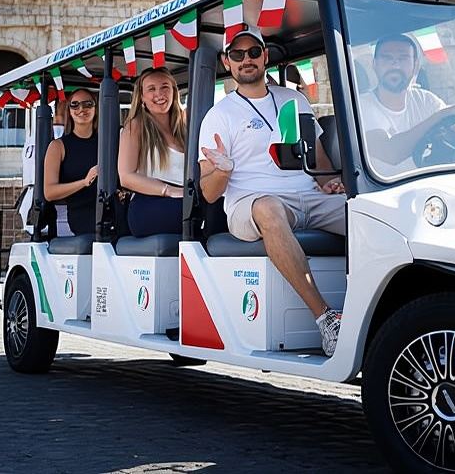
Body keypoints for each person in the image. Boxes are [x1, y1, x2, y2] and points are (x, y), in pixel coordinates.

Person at [197, 28, 347, 357]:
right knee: (269, 208)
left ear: (265, 56)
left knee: (367, 212)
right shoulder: (219, 115)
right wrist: (223, 171)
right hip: (250, 204)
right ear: (227, 62)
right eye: (237, 55)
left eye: (253, 52)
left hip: (308, 196)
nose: (246, 60)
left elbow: (318, 159)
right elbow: (208, 193)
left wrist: (331, 184)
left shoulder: (295, 100)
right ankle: (326, 319)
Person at [359, 33, 455, 176]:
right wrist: (444, 114)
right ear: (374, 65)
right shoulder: (361, 106)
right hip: (382, 188)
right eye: (387, 58)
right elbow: (390, 153)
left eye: (403, 58)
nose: (395, 64)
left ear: (415, 66)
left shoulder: (426, 100)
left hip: (430, 186)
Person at [119, 67, 188, 237]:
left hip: (185, 197)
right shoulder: (135, 126)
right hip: (150, 203)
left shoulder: (186, 125)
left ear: (174, 91)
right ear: (142, 97)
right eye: (151, 89)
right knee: (200, 212)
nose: (159, 94)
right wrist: (169, 191)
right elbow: (126, 177)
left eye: (165, 87)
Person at [41, 89, 100, 235]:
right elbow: (49, 192)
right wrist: (84, 182)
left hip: (113, 210)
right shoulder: (58, 146)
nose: (81, 109)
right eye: (75, 105)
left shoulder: (108, 142)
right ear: (69, 110)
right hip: (83, 215)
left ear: (96, 108)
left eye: (88, 104)